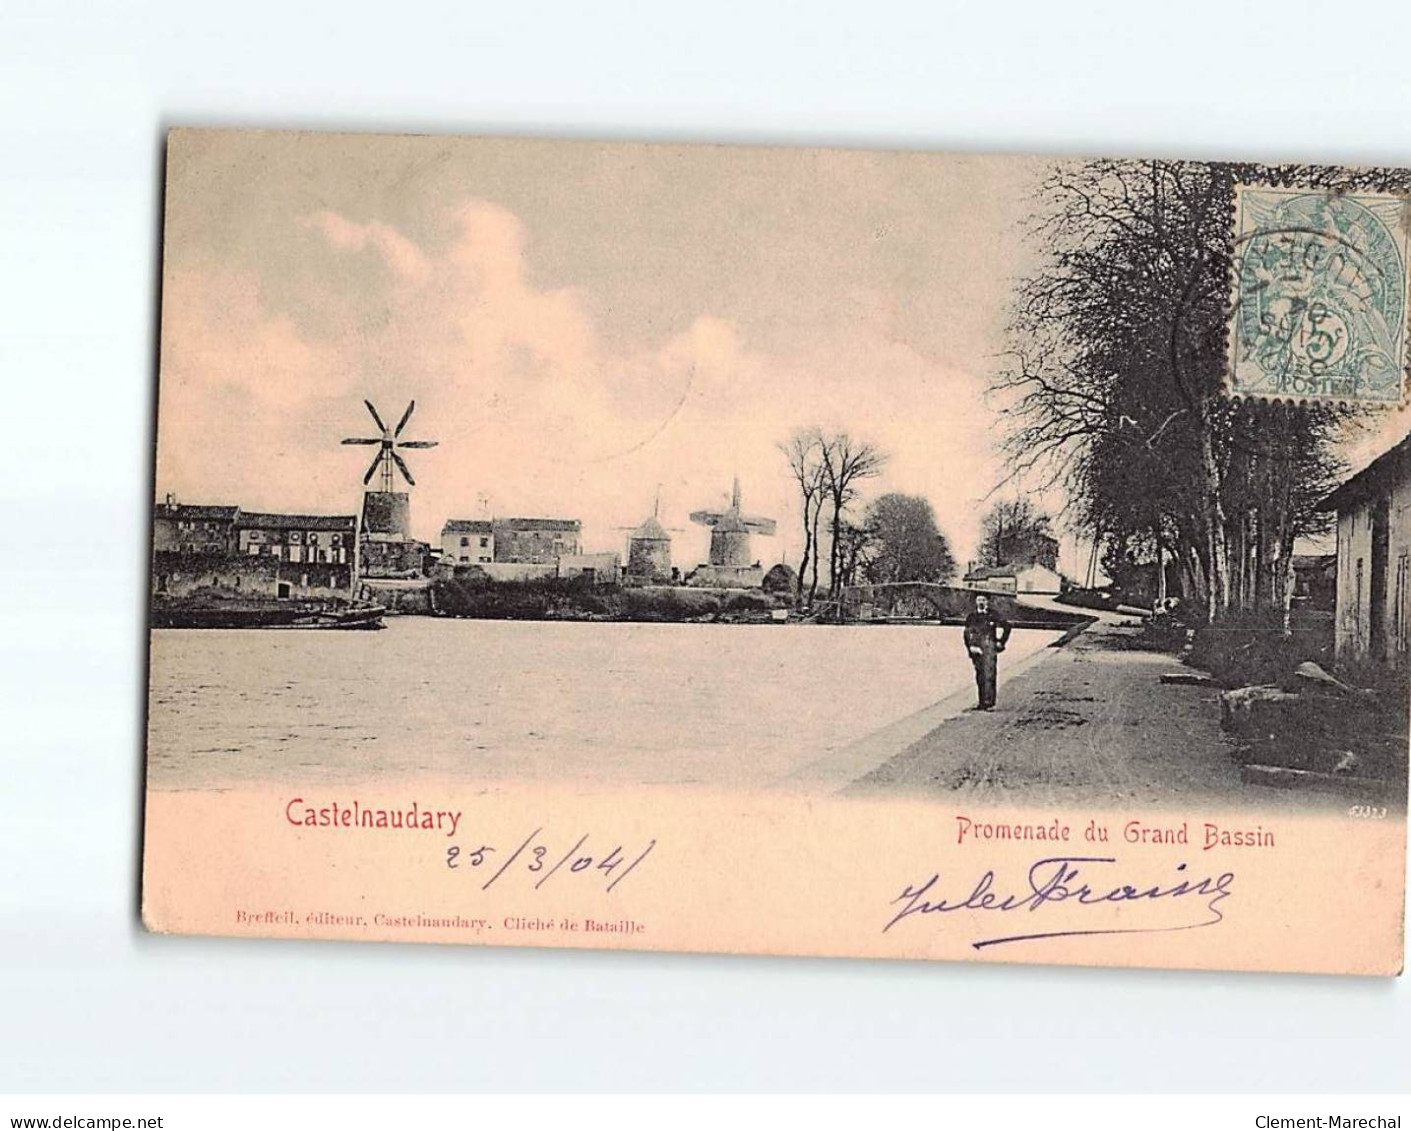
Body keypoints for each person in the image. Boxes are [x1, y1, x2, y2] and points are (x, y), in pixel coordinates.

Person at [963, 592, 1011, 710]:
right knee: (980, 675)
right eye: (979, 600)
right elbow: (967, 633)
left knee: (989, 674)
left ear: (987, 602)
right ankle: (982, 702)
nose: (981, 602)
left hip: (989, 647)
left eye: (983, 600)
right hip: (977, 648)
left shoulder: (993, 615)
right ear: (976, 602)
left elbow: (1007, 626)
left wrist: (1001, 642)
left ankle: (989, 703)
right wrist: (970, 647)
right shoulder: (972, 617)